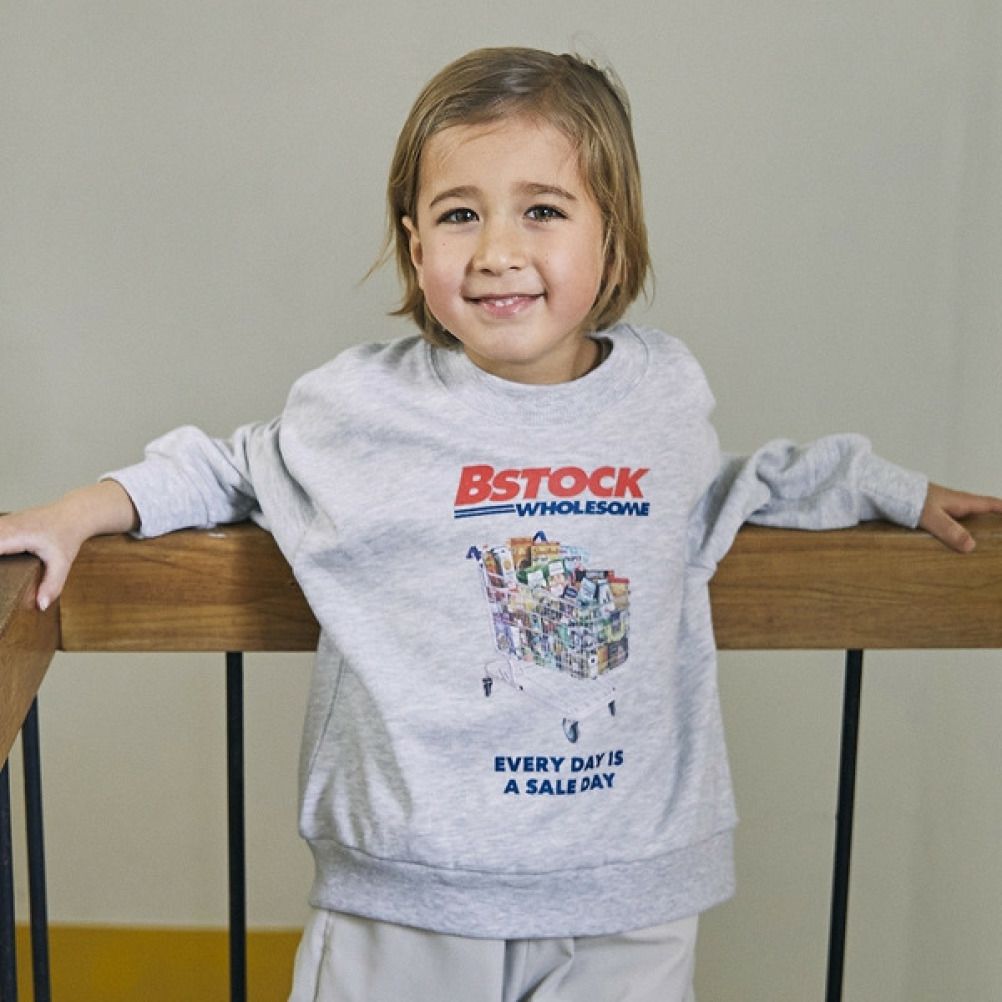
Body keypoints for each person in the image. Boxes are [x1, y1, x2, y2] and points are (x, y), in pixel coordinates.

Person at [1, 46, 1000, 1002]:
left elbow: (741, 486)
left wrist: (890, 489)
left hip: (630, 888)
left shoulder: (664, 393)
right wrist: (76, 514)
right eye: (459, 215)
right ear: (415, 246)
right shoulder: (358, 408)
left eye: (543, 210)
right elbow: (227, 467)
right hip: (411, 888)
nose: (497, 253)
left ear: (613, 237)